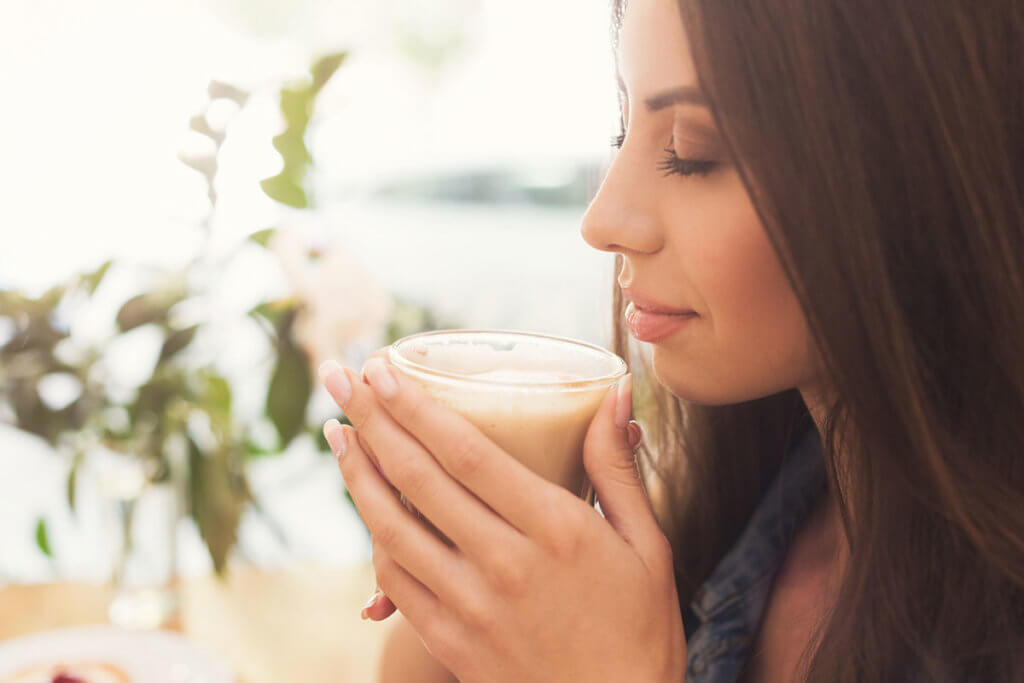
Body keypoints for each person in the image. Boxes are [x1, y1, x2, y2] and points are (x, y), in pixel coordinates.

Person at [318, 0, 1024, 680]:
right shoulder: (750, 507)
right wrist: (472, 580)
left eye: (691, 153)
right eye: (623, 131)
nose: (602, 220)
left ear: (911, 172)